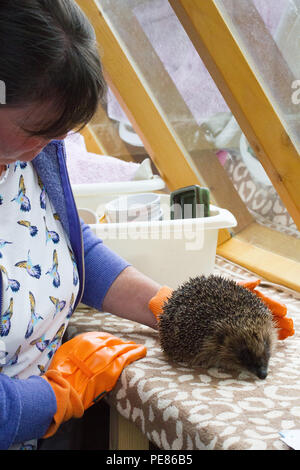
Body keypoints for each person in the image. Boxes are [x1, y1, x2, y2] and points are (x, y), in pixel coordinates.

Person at [0, 0, 161, 450]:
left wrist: (163, 305)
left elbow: (61, 242)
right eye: (38, 129)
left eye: (61, 132)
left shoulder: (33, 153)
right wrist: (58, 395)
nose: (53, 143)